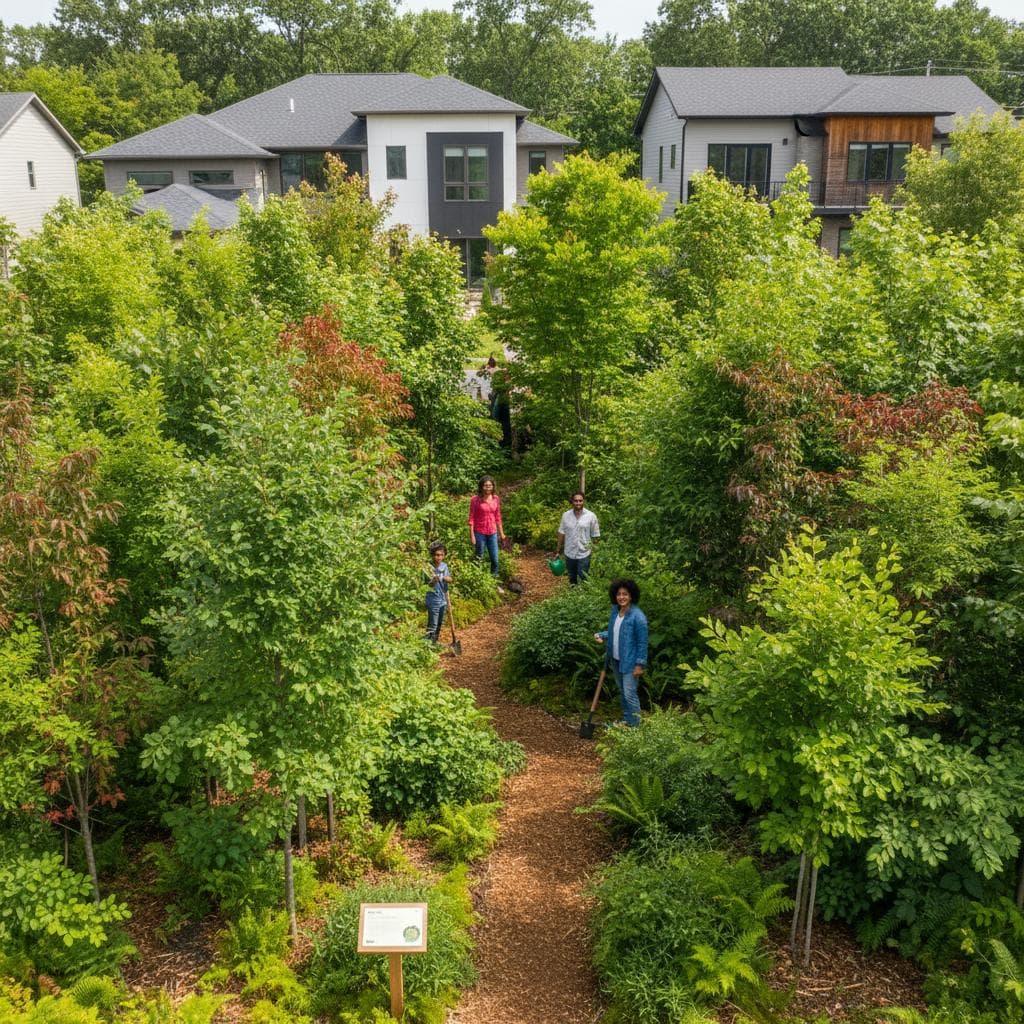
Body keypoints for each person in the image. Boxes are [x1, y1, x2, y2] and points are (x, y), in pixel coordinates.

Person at [594, 578, 648, 727]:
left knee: (630, 694)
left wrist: (640, 664)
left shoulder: (638, 617)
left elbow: (642, 643)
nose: (621, 597)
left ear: (631, 596)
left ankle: (636, 727)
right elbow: (615, 631)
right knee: (623, 692)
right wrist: (601, 635)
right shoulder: (615, 611)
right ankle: (627, 721)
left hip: (631, 663)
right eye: (619, 594)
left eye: (625, 594)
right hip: (616, 660)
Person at [556, 491, 600, 585]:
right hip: (569, 552)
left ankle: (584, 596)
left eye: (580, 500)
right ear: (572, 501)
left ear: (584, 501)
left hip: (584, 553)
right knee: (572, 578)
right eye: (576, 501)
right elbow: (561, 532)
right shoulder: (565, 515)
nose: (578, 503)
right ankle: (573, 595)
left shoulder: (591, 516)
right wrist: (558, 550)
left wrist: (595, 553)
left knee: (583, 577)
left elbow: (595, 535)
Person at [468, 475, 505, 577]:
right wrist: (472, 535)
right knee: (479, 557)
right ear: (481, 487)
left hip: (492, 532)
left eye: (490, 485)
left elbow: (498, 516)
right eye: (485, 485)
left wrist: (501, 533)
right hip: (479, 532)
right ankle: (477, 577)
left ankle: (494, 579)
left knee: (495, 558)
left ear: (493, 487)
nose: (488, 487)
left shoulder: (495, 499)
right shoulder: (475, 500)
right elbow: (471, 518)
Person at [424, 542, 451, 643]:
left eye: (441, 555)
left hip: (443, 599)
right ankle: (428, 644)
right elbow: (428, 585)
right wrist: (434, 580)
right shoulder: (428, 567)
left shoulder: (444, 566)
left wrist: (444, 578)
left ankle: (434, 642)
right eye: (436, 555)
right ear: (432, 555)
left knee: (440, 622)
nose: (439, 557)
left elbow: (450, 579)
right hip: (432, 599)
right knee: (433, 624)